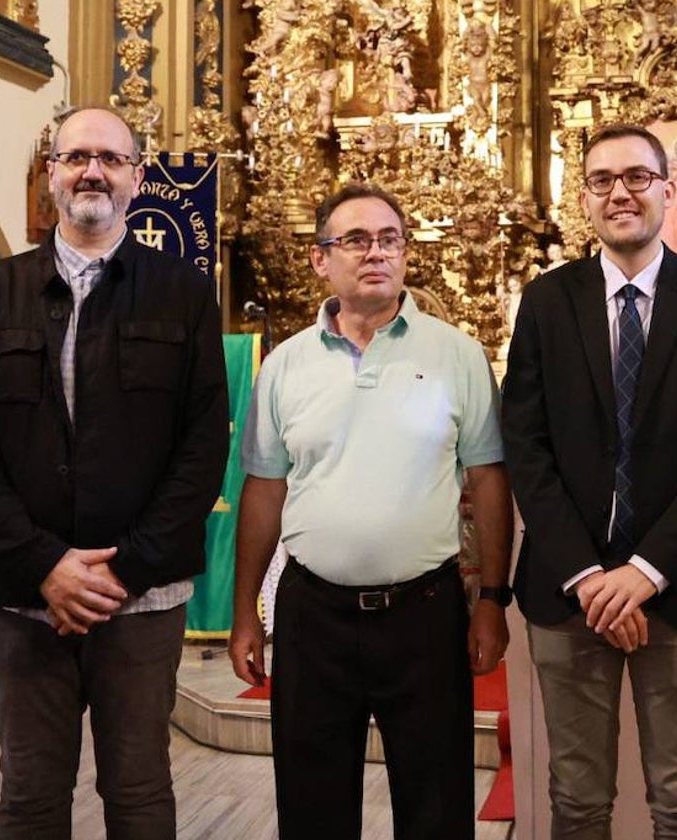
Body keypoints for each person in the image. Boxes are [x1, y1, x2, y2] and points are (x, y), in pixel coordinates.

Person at [0, 106, 229, 838]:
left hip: (141, 603)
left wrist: (118, 573)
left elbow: (201, 453)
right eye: (74, 157)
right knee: (31, 795)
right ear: (52, 174)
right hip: (22, 603)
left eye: (108, 157)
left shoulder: (183, 294)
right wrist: (45, 567)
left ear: (137, 175)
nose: (91, 170)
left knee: (138, 793)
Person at [228, 182, 513, 840]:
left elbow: (489, 480)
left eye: (390, 239)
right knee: (312, 804)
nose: (376, 252)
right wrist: (245, 610)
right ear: (319, 259)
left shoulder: (457, 355)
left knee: (436, 802)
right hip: (312, 615)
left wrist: (492, 599)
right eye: (356, 239)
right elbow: (265, 489)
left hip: (425, 613)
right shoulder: (285, 366)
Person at [503, 123, 677, 840]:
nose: (620, 193)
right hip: (567, 590)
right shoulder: (547, 302)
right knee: (577, 800)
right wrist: (589, 575)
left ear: (670, 189)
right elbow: (526, 445)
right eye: (602, 180)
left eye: (637, 177)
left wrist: (643, 573)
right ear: (583, 198)